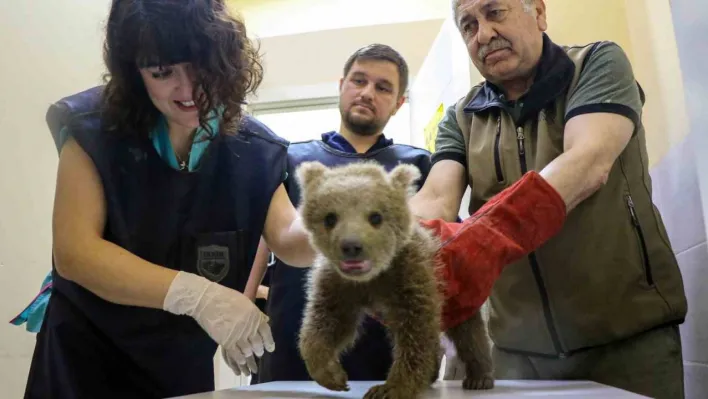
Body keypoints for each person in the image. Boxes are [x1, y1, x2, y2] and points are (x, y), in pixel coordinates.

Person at [22, 1, 316, 398]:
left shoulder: (253, 148)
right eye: (162, 72)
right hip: (85, 356)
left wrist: (350, 231)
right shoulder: (95, 128)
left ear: (226, 60)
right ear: (134, 71)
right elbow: (76, 253)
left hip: (178, 362)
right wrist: (199, 296)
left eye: (200, 66)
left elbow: (289, 240)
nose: (187, 89)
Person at [409, 1, 687, 398]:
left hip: (627, 341)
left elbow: (587, 161)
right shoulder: (461, 116)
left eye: (495, 12)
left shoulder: (597, 62)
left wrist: (483, 238)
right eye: (468, 25)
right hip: (515, 352)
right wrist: (397, 246)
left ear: (538, 13)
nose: (483, 34)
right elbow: (436, 197)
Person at [251, 44, 434, 384]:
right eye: (359, 80)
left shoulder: (417, 165)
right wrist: (245, 302)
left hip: (386, 352)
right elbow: (267, 238)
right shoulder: (292, 159)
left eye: (383, 87)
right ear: (341, 85)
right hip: (292, 344)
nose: (367, 93)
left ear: (399, 103)